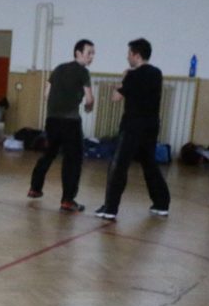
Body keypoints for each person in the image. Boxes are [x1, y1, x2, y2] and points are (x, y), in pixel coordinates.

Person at [94, 38, 170, 220]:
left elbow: (116, 98)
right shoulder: (156, 73)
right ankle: (161, 204)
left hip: (132, 126)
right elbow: (139, 91)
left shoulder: (132, 75)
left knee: (118, 165)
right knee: (149, 163)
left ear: (136, 55)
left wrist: (123, 80)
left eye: (129, 53)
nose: (127, 57)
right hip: (151, 125)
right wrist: (125, 84)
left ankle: (110, 208)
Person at [29, 39, 95, 213]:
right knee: (73, 160)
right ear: (78, 53)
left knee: (48, 154)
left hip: (52, 121)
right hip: (70, 122)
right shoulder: (83, 72)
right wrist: (89, 106)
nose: (91, 57)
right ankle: (68, 200)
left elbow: (46, 94)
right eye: (89, 53)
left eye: (93, 54)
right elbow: (89, 99)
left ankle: (35, 188)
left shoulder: (58, 69)